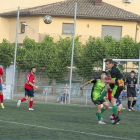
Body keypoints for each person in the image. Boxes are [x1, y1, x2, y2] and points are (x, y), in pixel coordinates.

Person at [95, 59, 124, 124]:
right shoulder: (115, 66)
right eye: (106, 64)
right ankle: (100, 99)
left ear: (111, 64)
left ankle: (116, 117)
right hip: (120, 83)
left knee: (113, 101)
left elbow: (113, 81)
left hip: (118, 85)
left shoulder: (113, 70)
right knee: (107, 86)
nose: (106, 65)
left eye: (107, 64)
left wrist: (104, 81)